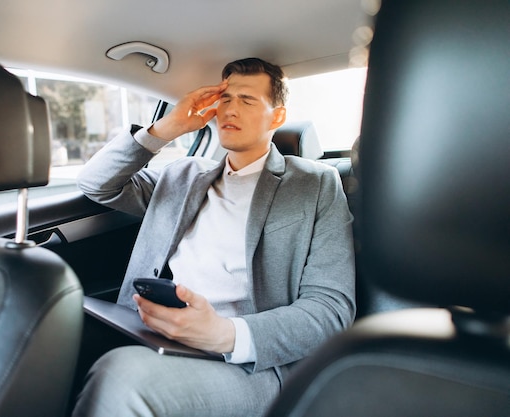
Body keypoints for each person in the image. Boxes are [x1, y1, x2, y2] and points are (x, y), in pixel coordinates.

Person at [73, 58, 355, 417]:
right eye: (225, 98)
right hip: (147, 333)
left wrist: (223, 334)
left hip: (244, 364)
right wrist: (166, 128)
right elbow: (96, 184)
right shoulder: (184, 173)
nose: (230, 109)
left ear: (278, 117)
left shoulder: (314, 184)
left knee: (124, 377)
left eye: (247, 100)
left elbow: (330, 310)